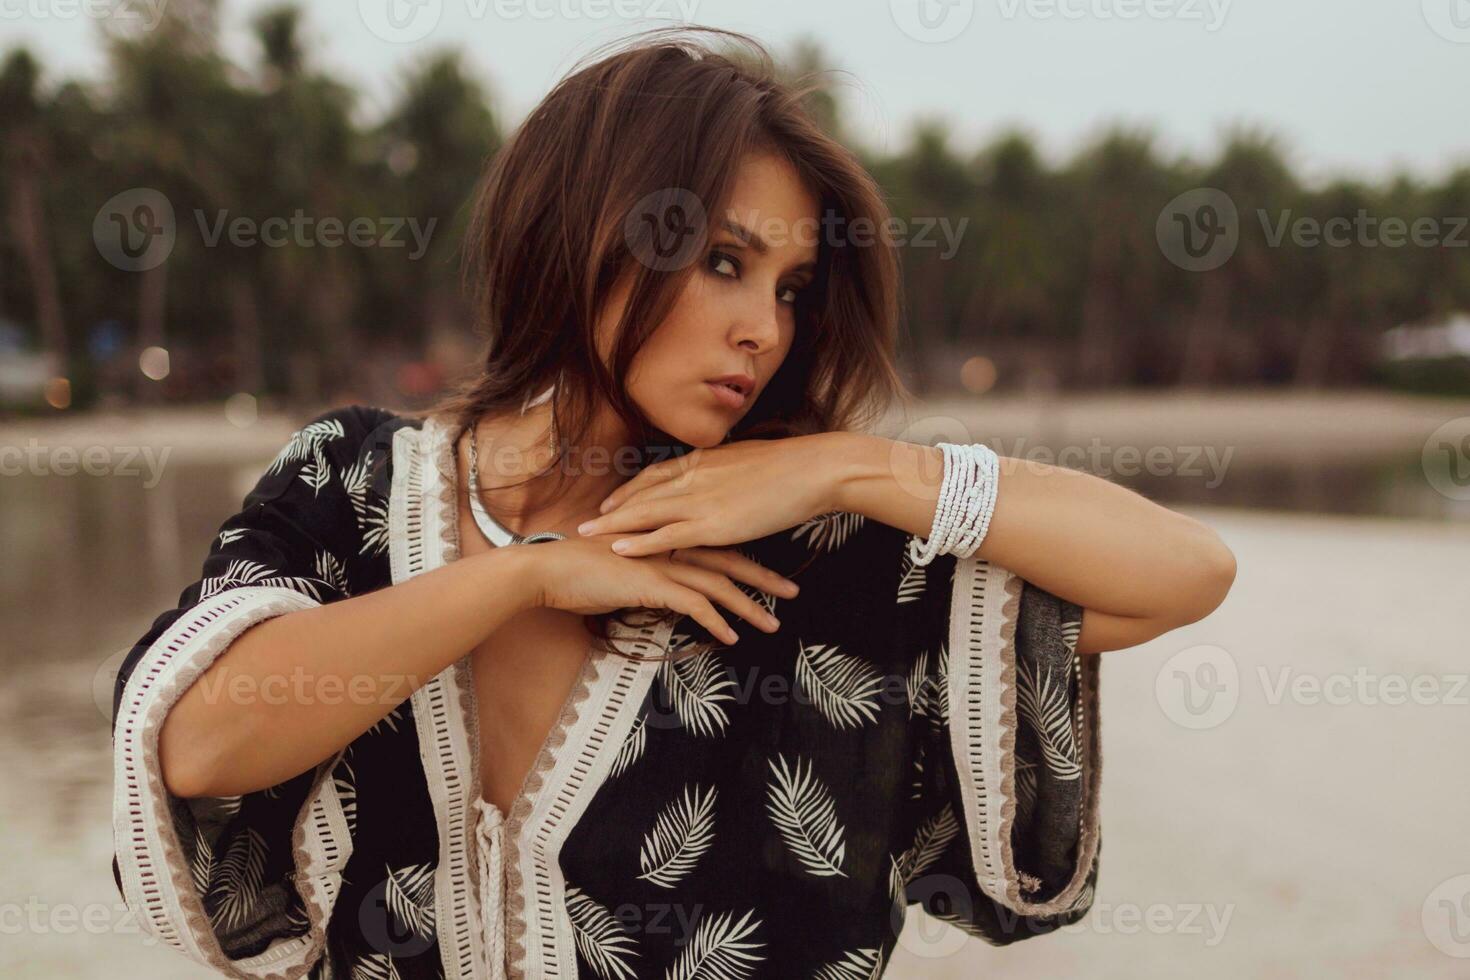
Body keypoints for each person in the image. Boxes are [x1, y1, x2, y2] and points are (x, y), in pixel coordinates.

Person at [109, 27, 1235, 980]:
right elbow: (199, 744)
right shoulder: (353, 484)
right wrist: (525, 573)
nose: (768, 329)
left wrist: (857, 470)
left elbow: (1185, 570)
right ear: (586, 229)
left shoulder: (816, 558)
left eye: (793, 289)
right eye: (726, 263)